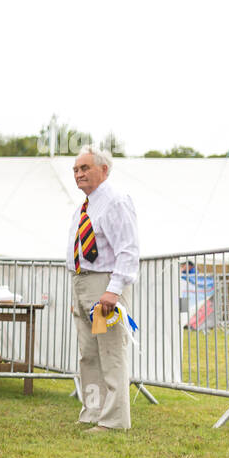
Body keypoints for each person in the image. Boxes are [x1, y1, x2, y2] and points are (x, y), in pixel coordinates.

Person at [67, 146, 139, 432]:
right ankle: (92, 412)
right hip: (83, 282)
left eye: (85, 168)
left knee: (110, 352)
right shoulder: (84, 206)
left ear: (104, 170)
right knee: (89, 353)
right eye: (75, 169)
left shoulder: (116, 201)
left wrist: (113, 291)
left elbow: (128, 249)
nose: (79, 174)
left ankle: (114, 420)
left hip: (104, 284)